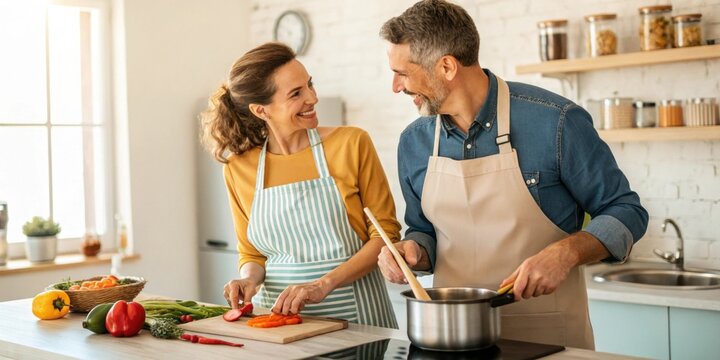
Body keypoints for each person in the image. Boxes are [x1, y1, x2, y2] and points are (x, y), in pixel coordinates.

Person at [376, 0, 648, 349]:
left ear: (446, 66)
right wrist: (412, 251)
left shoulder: (556, 122)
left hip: (549, 338)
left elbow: (626, 211)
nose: (396, 87)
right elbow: (424, 231)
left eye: (403, 73)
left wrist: (566, 252)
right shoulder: (414, 143)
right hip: (455, 340)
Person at [202, 42, 399, 328]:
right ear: (261, 110)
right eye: (296, 93)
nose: (312, 98)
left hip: (357, 320)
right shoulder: (238, 168)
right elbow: (253, 254)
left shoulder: (351, 143)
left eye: (310, 85)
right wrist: (248, 279)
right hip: (277, 323)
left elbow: (385, 234)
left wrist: (323, 285)